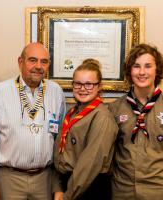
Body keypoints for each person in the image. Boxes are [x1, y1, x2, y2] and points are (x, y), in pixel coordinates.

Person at [0, 42, 66, 200]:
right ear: (20, 62)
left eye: (44, 61)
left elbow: (60, 141)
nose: (38, 66)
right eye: (32, 60)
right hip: (10, 178)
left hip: (45, 178)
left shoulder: (56, 92)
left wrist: (58, 185)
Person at [108, 43, 163, 200]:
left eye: (148, 66)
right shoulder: (114, 109)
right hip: (122, 190)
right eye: (136, 66)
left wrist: (158, 175)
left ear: (157, 70)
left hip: (159, 191)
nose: (142, 72)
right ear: (129, 71)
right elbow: (110, 150)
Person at [53, 59, 118, 200]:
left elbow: (90, 164)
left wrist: (67, 196)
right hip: (68, 185)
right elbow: (59, 153)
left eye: (89, 84)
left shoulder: (102, 118)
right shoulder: (71, 113)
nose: (82, 89)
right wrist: (58, 188)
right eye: (78, 84)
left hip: (89, 188)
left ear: (99, 86)